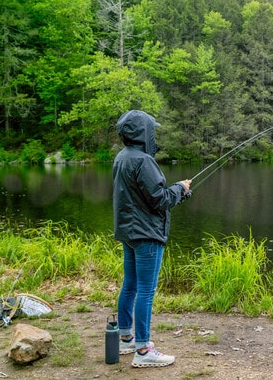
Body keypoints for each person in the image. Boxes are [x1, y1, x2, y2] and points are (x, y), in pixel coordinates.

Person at [112, 110, 192, 368]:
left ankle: (125, 337)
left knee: (131, 285)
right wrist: (180, 189)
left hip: (130, 233)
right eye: (152, 130)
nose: (154, 135)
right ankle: (143, 350)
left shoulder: (122, 157)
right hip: (147, 235)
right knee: (145, 291)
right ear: (142, 132)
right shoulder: (144, 161)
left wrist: (177, 192)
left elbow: (144, 198)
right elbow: (161, 200)